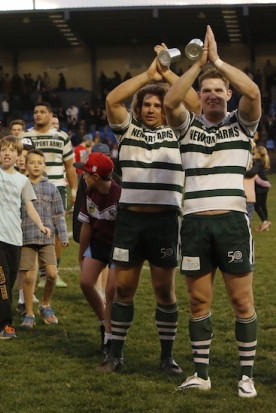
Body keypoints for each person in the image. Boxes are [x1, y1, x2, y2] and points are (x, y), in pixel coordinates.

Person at [164, 25, 261, 397]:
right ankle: (201, 373)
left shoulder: (242, 124)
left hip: (232, 223)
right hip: (194, 227)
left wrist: (217, 61)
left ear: (228, 95)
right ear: (200, 97)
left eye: (219, 91)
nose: (212, 96)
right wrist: (198, 66)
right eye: (206, 92)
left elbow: (253, 91)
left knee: (241, 301)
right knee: (198, 301)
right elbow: (173, 101)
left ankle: (246, 375)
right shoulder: (187, 127)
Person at [96, 44, 200, 375]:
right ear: (139, 109)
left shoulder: (180, 133)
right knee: (123, 290)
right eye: (147, 104)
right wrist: (148, 75)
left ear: (167, 108)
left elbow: (195, 103)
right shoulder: (128, 130)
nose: (153, 109)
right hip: (130, 221)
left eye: (158, 104)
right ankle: (116, 355)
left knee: (164, 290)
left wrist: (168, 73)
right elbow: (112, 99)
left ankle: (167, 356)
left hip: (165, 221)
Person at [0, 136, 51, 339]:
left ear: (18, 155)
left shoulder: (22, 180)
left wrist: (41, 225)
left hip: (15, 238)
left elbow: (29, 206)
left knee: (8, 282)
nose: (7, 153)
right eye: (4, 149)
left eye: (12, 150)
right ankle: (3, 326)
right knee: (2, 280)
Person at [22, 102, 76, 289]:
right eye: (35, 112)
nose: (38, 115)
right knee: (31, 229)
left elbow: (69, 166)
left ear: (51, 115)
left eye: (42, 112)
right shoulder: (25, 136)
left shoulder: (61, 137)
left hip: (57, 187)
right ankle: (34, 272)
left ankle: (53, 271)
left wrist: (74, 190)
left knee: (54, 229)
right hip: (30, 187)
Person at [75, 152, 120, 354]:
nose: (82, 175)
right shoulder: (89, 192)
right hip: (99, 242)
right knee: (85, 282)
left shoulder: (120, 195)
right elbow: (86, 226)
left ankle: (110, 338)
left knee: (111, 291)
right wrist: (81, 253)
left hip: (118, 247)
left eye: (85, 172)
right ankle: (104, 323)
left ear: (95, 176)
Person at [18, 149, 68, 328]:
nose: (36, 166)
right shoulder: (20, 185)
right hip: (26, 237)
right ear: (25, 165)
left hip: (47, 238)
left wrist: (62, 235)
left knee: (52, 275)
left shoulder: (51, 188)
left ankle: (45, 305)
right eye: (32, 162)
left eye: (39, 163)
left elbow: (58, 215)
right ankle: (29, 313)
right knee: (29, 277)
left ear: (44, 165)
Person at [253, 145, 271, 232]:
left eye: (256, 152)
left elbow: (253, 171)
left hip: (259, 187)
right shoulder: (265, 161)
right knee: (263, 205)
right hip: (265, 186)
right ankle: (266, 225)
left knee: (256, 206)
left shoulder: (258, 162)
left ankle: (264, 222)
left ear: (259, 153)